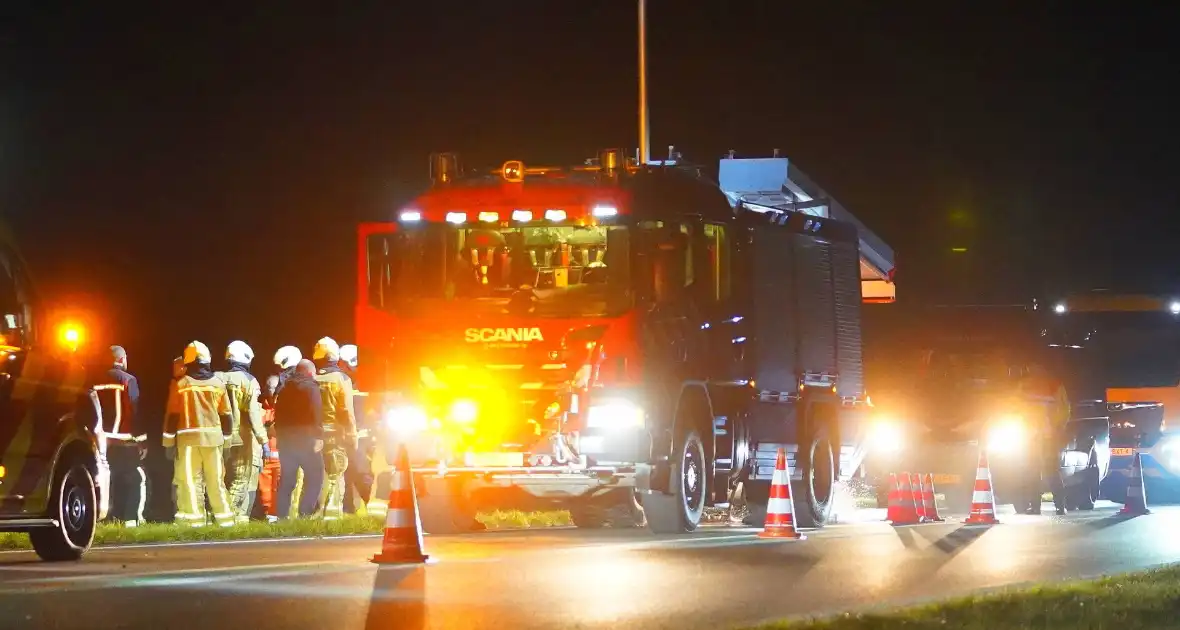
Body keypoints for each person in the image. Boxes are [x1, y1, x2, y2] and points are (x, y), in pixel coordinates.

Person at [163, 341, 235, 527]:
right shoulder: (218, 384)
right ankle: (225, 520)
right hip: (214, 440)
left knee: (190, 481)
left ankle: (195, 521)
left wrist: (169, 444)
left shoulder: (181, 384)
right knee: (216, 481)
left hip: (188, 441)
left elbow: (172, 416)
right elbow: (227, 416)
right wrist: (227, 443)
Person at [92, 345, 145, 526]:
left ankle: (106, 519)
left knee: (107, 479)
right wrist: (141, 440)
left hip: (100, 440)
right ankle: (130, 519)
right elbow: (134, 409)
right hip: (123, 438)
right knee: (133, 479)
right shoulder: (129, 380)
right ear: (122, 359)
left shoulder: (93, 379)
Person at [217, 341, 267, 523]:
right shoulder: (249, 381)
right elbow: (253, 413)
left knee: (220, 480)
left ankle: (223, 515)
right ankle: (228, 517)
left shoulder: (216, 378)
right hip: (240, 438)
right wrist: (263, 439)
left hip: (218, 438)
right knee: (240, 479)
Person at [311, 337, 357, 520]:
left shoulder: (312, 378)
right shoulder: (341, 378)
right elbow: (346, 410)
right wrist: (352, 435)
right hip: (335, 435)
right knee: (335, 475)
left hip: (313, 436)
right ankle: (332, 517)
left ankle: (317, 513)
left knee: (318, 475)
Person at [1018, 362, 1071, 515]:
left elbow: (1064, 409)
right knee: (1039, 472)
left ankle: (1051, 506)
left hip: (1041, 436)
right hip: (1036, 436)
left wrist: (1058, 426)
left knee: (1046, 471)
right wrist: (1059, 426)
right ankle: (1054, 506)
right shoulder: (1028, 385)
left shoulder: (1049, 385)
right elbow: (1065, 409)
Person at [274, 359, 325, 519]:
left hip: (286, 440)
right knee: (316, 476)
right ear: (310, 372)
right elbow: (316, 413)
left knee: (288, 480)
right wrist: (318, 436)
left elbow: (278, 415)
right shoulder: (311, 388)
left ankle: (282, 517)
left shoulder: (284, 388)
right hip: (306, 439)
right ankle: (305, 513)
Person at [338, 344, 375, 515]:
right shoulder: (342, 382)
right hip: (346, 436)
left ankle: (373, 506)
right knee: (345, 473)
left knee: (361, 473)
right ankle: (348, 510)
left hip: (360, 436)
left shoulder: (366, 382)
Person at [253, 374, 283, 520]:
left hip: (282, 457)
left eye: (275, 388)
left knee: (281, 488)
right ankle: (269, 516)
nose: (273, 391)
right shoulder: (259, 409)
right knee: (265, 489)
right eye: (270, 387)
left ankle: (281, 514)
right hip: (265, 458)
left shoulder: (285, 407)